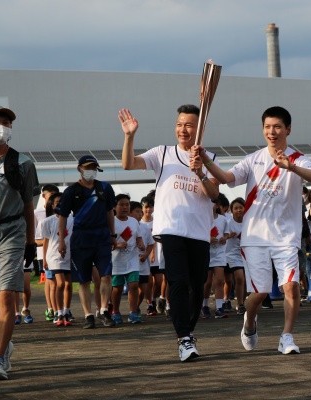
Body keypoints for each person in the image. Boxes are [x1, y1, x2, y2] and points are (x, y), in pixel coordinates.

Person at [192, 106, 311, 355]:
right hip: (255, 238)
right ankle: (249, 322)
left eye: (277, 127)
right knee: (260, 293)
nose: (272, 132)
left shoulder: (297, 159)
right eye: (267, 127)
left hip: (286, 237)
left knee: (291, 287)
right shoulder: (254, 160)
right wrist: (206, 160)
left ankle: (287, 336)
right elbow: (226, 178)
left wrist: (290, 168)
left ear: (288, 129)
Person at [119, 105, 220, 362]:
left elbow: (214, 195)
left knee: (198, 286)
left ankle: (187, 331)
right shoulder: (162, 153)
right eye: (178, 124)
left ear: (199, 129)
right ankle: (184, 339)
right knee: (177, 281)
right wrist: (129, 136)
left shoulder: (210, 158)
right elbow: (128, 163)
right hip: (171, 230)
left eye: (188, 125)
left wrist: (200, 172)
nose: (182, 129)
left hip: (198, 233)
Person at [0, 106, 39, 380]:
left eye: (5, 123)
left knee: (6, 295)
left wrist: (31, 242)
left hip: (11, 232)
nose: (0, 126)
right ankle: (4, 342)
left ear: (11, 130)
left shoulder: (23, 163)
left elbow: (28, 207)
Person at [57, 155, 117, 329]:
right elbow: (62, 216)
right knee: (84, 280)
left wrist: (113, 235)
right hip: (81, 238)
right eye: (87, 167)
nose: (90, 170)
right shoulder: (71, 191)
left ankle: (104, 310)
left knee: (106, 275)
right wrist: (61, 240)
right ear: (79, 169)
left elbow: (109, 213)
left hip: (102, 236)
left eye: (93, 167)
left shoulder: (105, 188)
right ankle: (88, 315)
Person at [110, 194, 144, 324]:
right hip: (116, 261)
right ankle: (116, 312)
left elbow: (138, 236)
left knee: (134, 285)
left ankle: (133, 312)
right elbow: (106, 240)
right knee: (117, 288)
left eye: (127, 205)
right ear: (115, 206)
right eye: (122, 205)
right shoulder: (111, 221)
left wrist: (140, 243)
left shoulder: (133, 221)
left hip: (132, 260)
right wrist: (117, 244)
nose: (125, 207)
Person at [42, 192, 74, 326]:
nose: (60, 204)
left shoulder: (72, 219)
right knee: (60, 284)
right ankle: (58, 312)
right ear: (53, 205)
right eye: (57, 202)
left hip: (69, 255)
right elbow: (46, 241)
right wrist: (44, 259)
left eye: (63, 202)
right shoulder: (48, 221)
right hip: (54, 256)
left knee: (69, 284)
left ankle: (66, 312)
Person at [34, 184, 60, 322]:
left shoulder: (62, 213)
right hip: (43, 253)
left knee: (59, 282)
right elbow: (34, 238)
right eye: (51, 195)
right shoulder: (37, 213)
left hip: (59, 253)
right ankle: (51, 308)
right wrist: (47, 241)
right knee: (50, 283)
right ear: (44, 196)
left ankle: (59, 309)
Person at [225, 197, 247, 315]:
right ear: (231, 210)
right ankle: (240, 303)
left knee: (245, 281)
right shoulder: (228, 223)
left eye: (241, 208)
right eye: (236, 208)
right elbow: (222, 238)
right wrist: (228, 236)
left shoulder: (249, 222)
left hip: (246, 254)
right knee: (239, 278)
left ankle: (241, 303)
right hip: (232, 254)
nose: (238, 210)